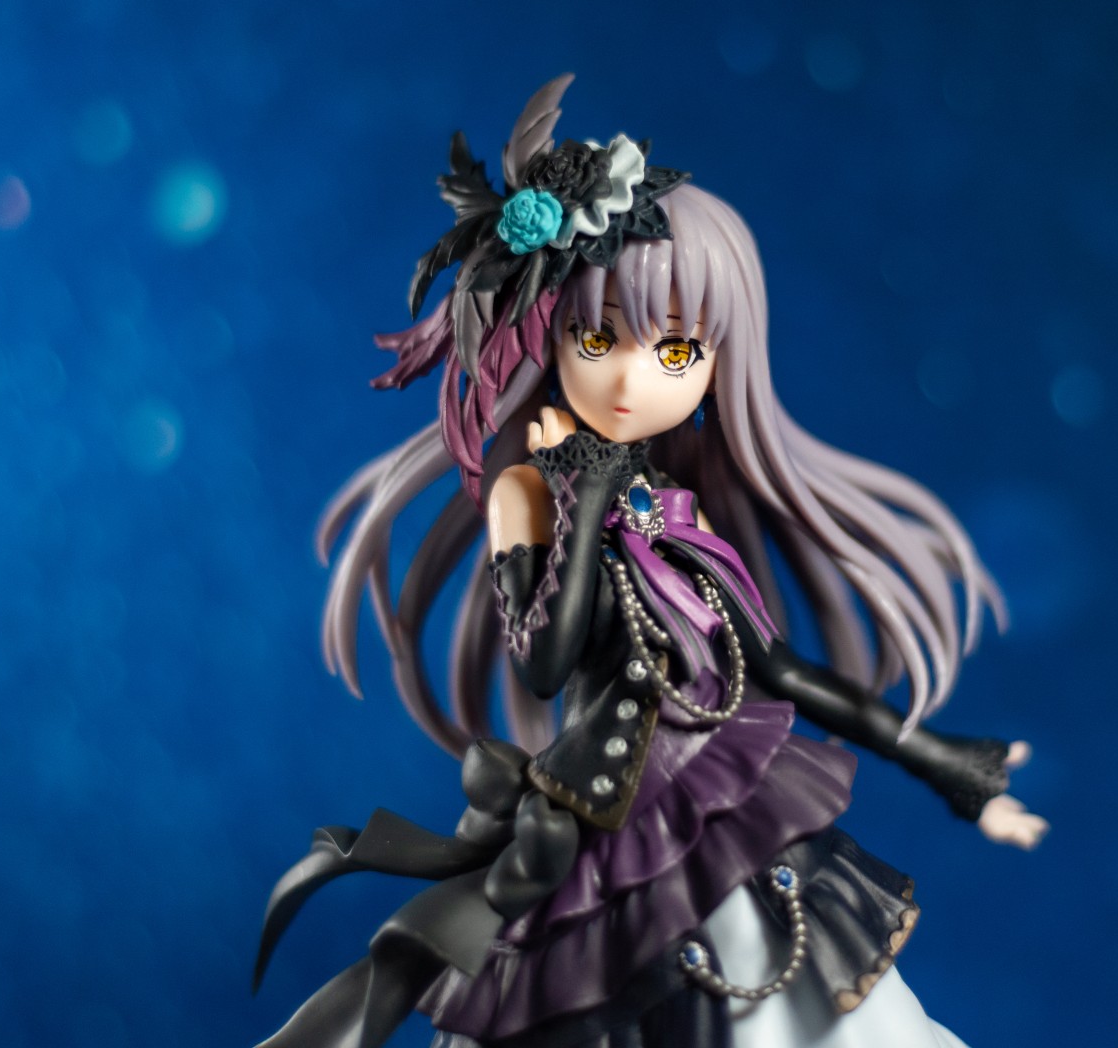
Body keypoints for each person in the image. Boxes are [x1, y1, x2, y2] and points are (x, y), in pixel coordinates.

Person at [252, 76, 1048, 1048]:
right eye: (597, 339)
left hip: (717, 795)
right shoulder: (527, 494)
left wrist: (945, 763)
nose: (632, 378)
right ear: (550, 334)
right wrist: (581, 501)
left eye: (676, 353)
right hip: (600, 828)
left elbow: (775, 668)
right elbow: (543, 661)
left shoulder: (672, 504)